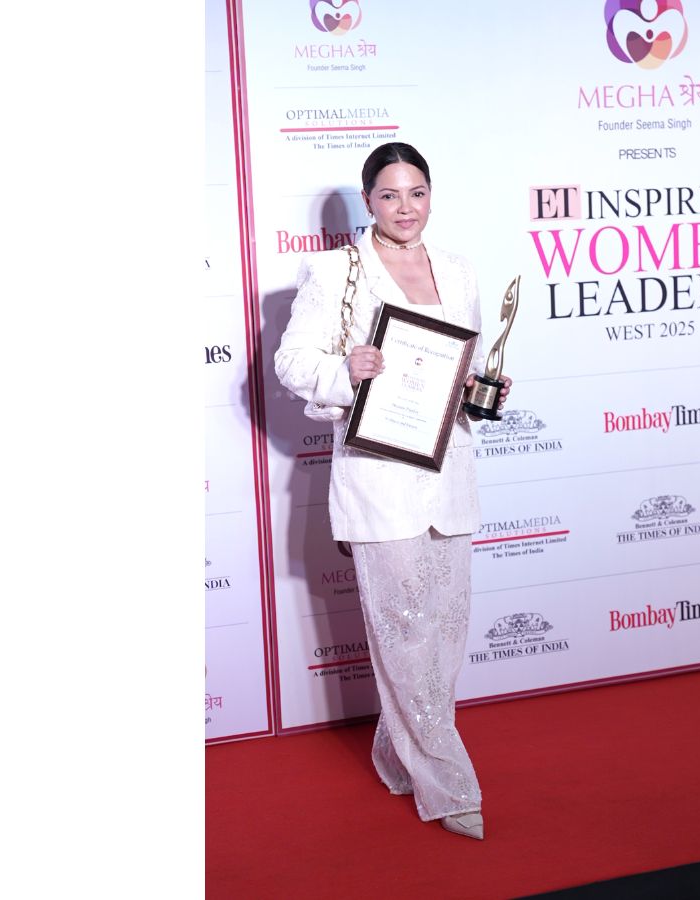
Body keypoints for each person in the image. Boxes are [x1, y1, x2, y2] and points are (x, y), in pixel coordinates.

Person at [274, 142, 510, 841]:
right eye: (389, 195)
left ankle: (394, 751)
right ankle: (450, 786)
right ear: (368, 200)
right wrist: (345, 370)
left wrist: (483, 389)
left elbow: (462, 365)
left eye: (416, 193)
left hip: (446, 469)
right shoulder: (336, 271)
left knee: (444, 634)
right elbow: (292, 361)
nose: (405, 208)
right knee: (405, 633)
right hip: (378, 475)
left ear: (430, 195)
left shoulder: (458, 270)